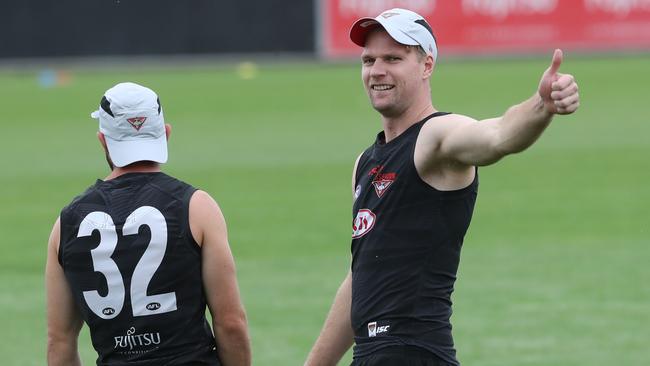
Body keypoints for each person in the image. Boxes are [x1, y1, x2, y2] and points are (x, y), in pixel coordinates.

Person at [305, 8, 579, 366]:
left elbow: (497, 135)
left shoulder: (436, 136)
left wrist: (541, 106)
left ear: (427, 65)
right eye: (368, 60)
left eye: (394, 58)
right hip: (372, 356)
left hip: (414, 353)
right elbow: (362, 277)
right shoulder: (366, 163)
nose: (377, 71)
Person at [45, 82, 251, 366]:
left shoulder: (66, 224)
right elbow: (230, 323)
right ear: (165, 134)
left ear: (103, 140)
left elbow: (60, 341)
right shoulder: (197, 207)